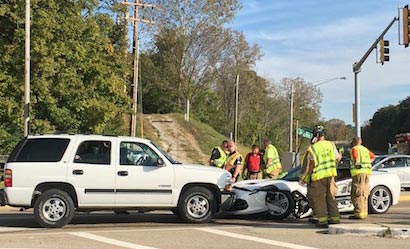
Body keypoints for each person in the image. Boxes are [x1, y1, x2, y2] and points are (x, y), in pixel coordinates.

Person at [305, 125, 341, 228]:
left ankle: (322, 221)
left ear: (315, 135)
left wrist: (308, 177)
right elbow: (338, 158)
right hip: (330, 176)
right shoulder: (331, 145)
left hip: (318, 177)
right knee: (331, 198)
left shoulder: (313, 148)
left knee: (319, 199)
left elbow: (311, 164)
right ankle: (335, 219)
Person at [349, 136, 375, 219]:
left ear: (353, 142)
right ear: (361, 142)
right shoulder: (365, 149)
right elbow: (373, 157)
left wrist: (357, 164)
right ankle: (364, 212)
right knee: (364, 193)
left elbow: (356, 158)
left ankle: (358, 213)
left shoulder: (354, 149)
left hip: (358, 173)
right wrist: (367, 163)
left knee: (357, 193)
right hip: (367, 173)